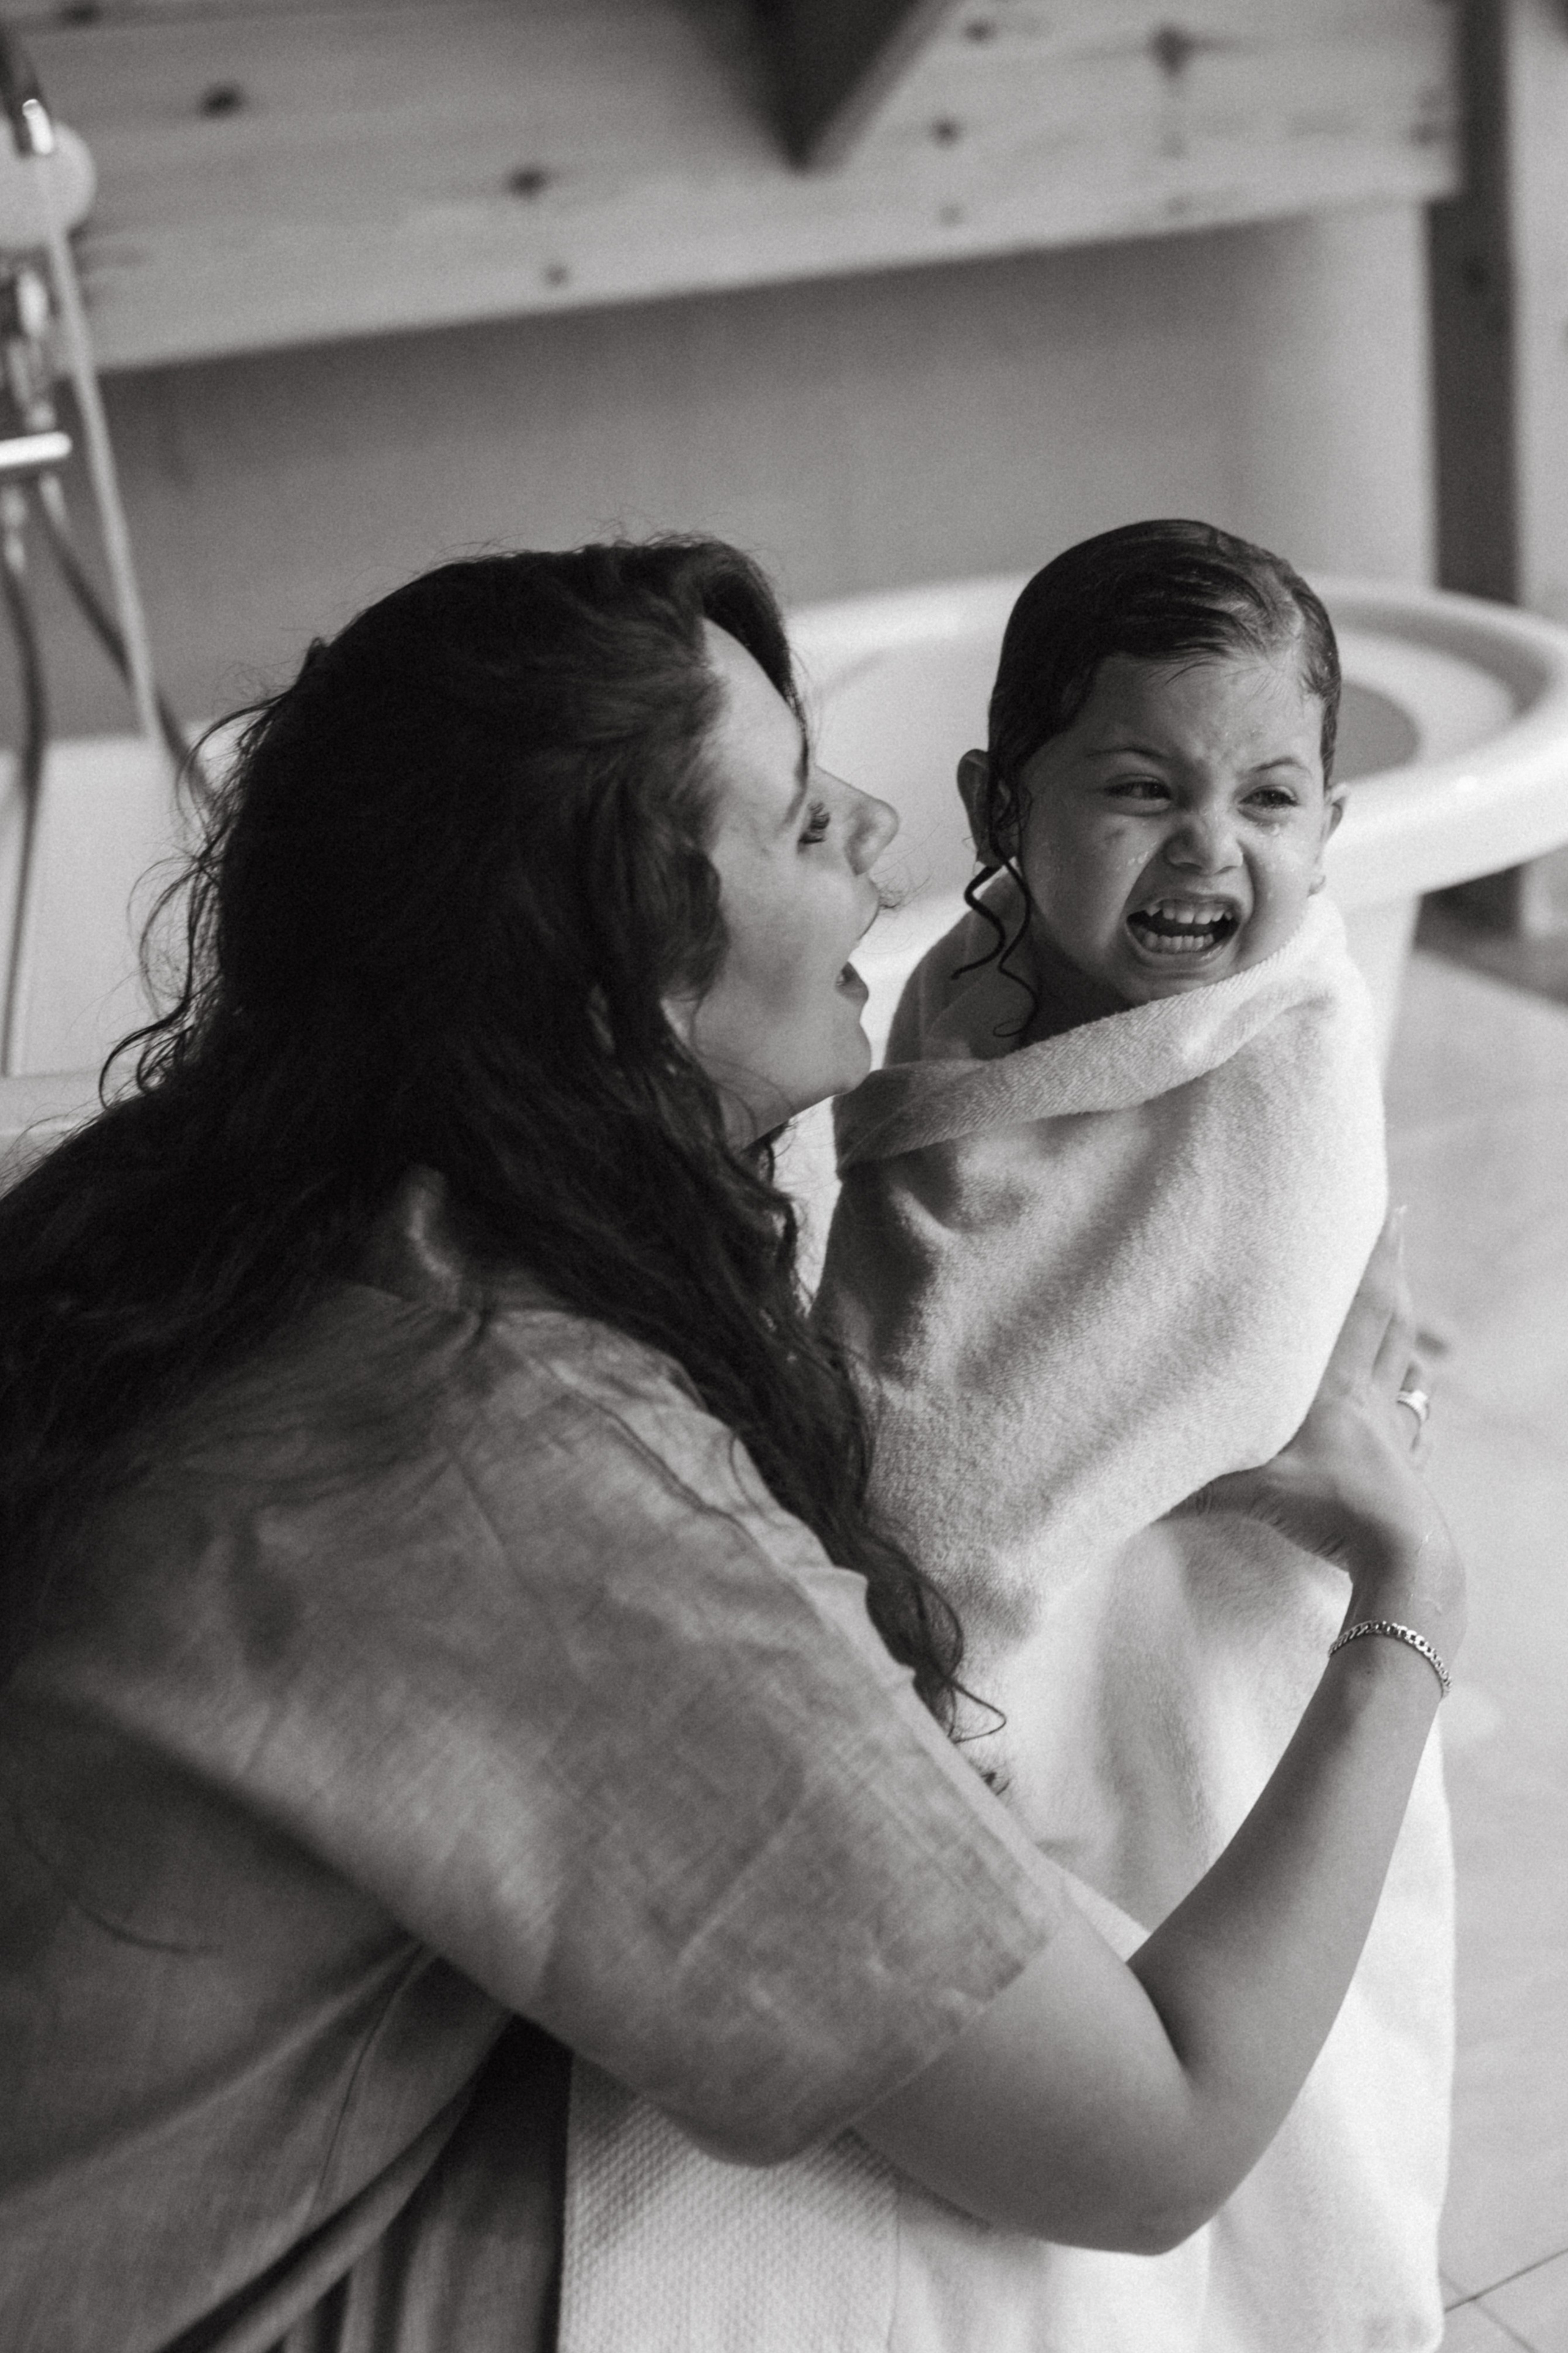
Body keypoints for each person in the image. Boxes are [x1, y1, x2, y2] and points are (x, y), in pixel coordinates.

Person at [0, 537, 1462, 2353]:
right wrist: (1407, 1607)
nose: (873, 825)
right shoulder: (521, 1456)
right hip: (190, 2299)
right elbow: (1156, 2140)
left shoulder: (265, 1194)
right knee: (1028, 2259)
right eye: (791, 820)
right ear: (613, 961)